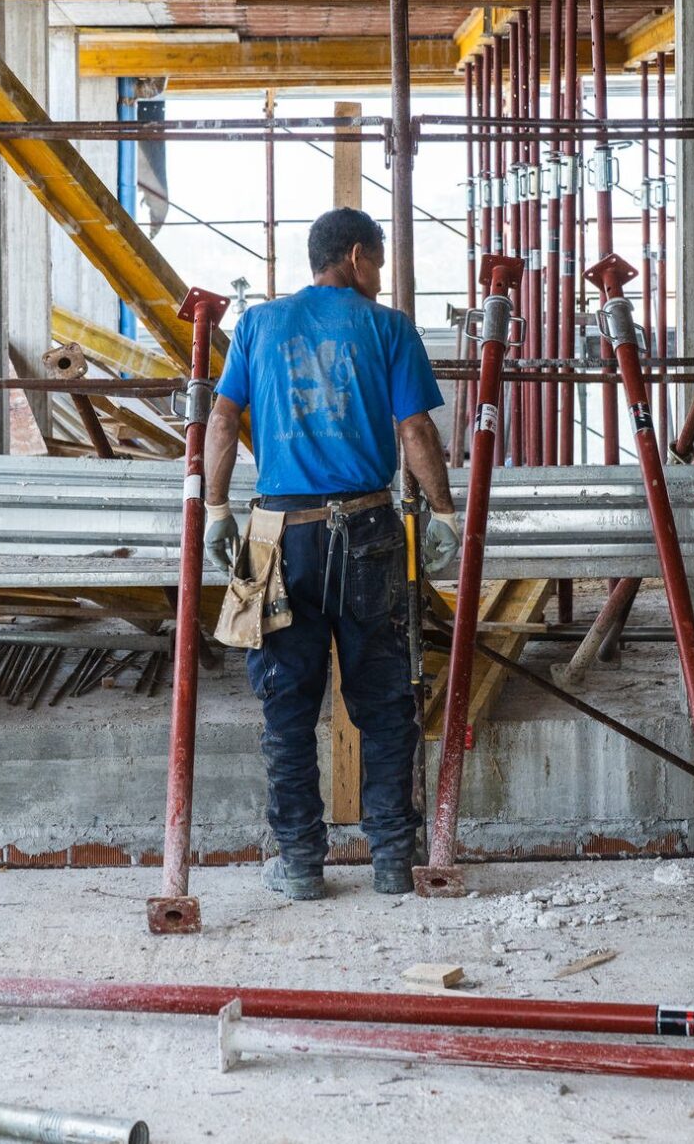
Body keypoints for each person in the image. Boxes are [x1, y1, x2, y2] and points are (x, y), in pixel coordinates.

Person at [203, 207, 461, 898]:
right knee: (382, 701)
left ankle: (299, 865)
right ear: (356, 256)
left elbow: (223, 417)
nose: (379, 277)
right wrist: (443, 512)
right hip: (369, 532)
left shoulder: (258, 325)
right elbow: (413, 430)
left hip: (278, 537)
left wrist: (216, 506)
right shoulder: (387, 327)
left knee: (286, 707)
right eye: (377, 262)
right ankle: (388, 860)